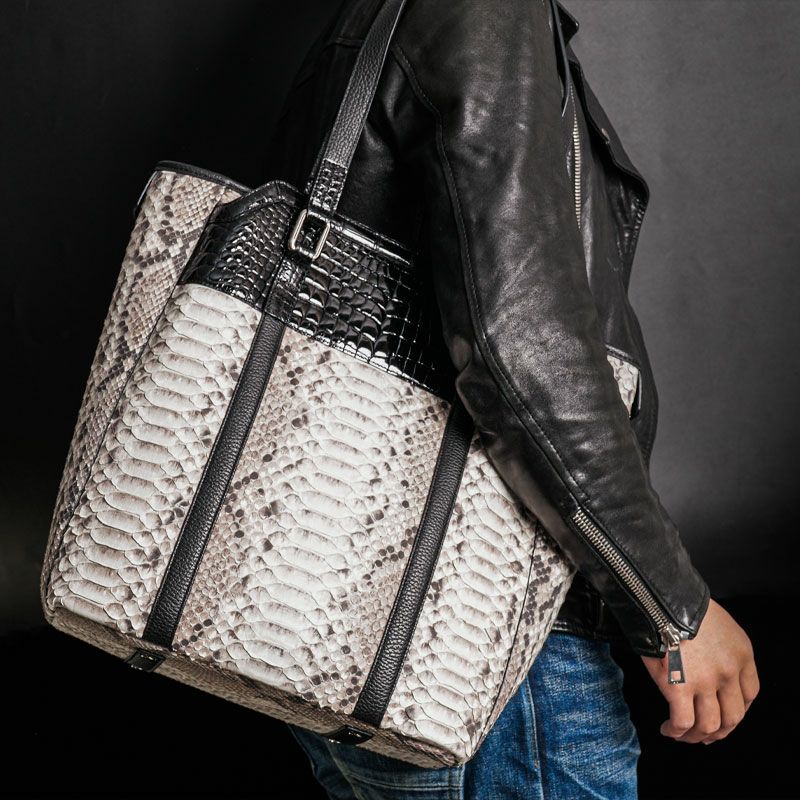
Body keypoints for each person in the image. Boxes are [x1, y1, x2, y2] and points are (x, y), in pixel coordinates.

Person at [265, 0, 760, 796]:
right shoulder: (483, 10)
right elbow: (520, 349)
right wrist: (672, 610)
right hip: (485, 634)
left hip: (349, 614)